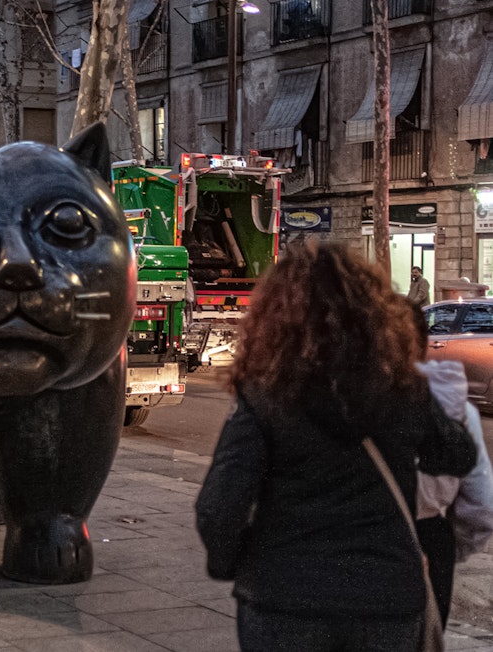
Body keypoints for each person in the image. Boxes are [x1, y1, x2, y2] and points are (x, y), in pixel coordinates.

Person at [195, 243, 476, 652]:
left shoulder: (266, 395)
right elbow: (457, 454)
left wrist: (233, 564)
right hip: (386, 598)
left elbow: (219, 508)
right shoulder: (401, 390)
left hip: (284, 598)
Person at [411, 305, 493, 627]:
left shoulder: (346, 405)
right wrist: (449, 546)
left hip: (360, 541)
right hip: (430, 536)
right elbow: (483, 507)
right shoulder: (455, 407)